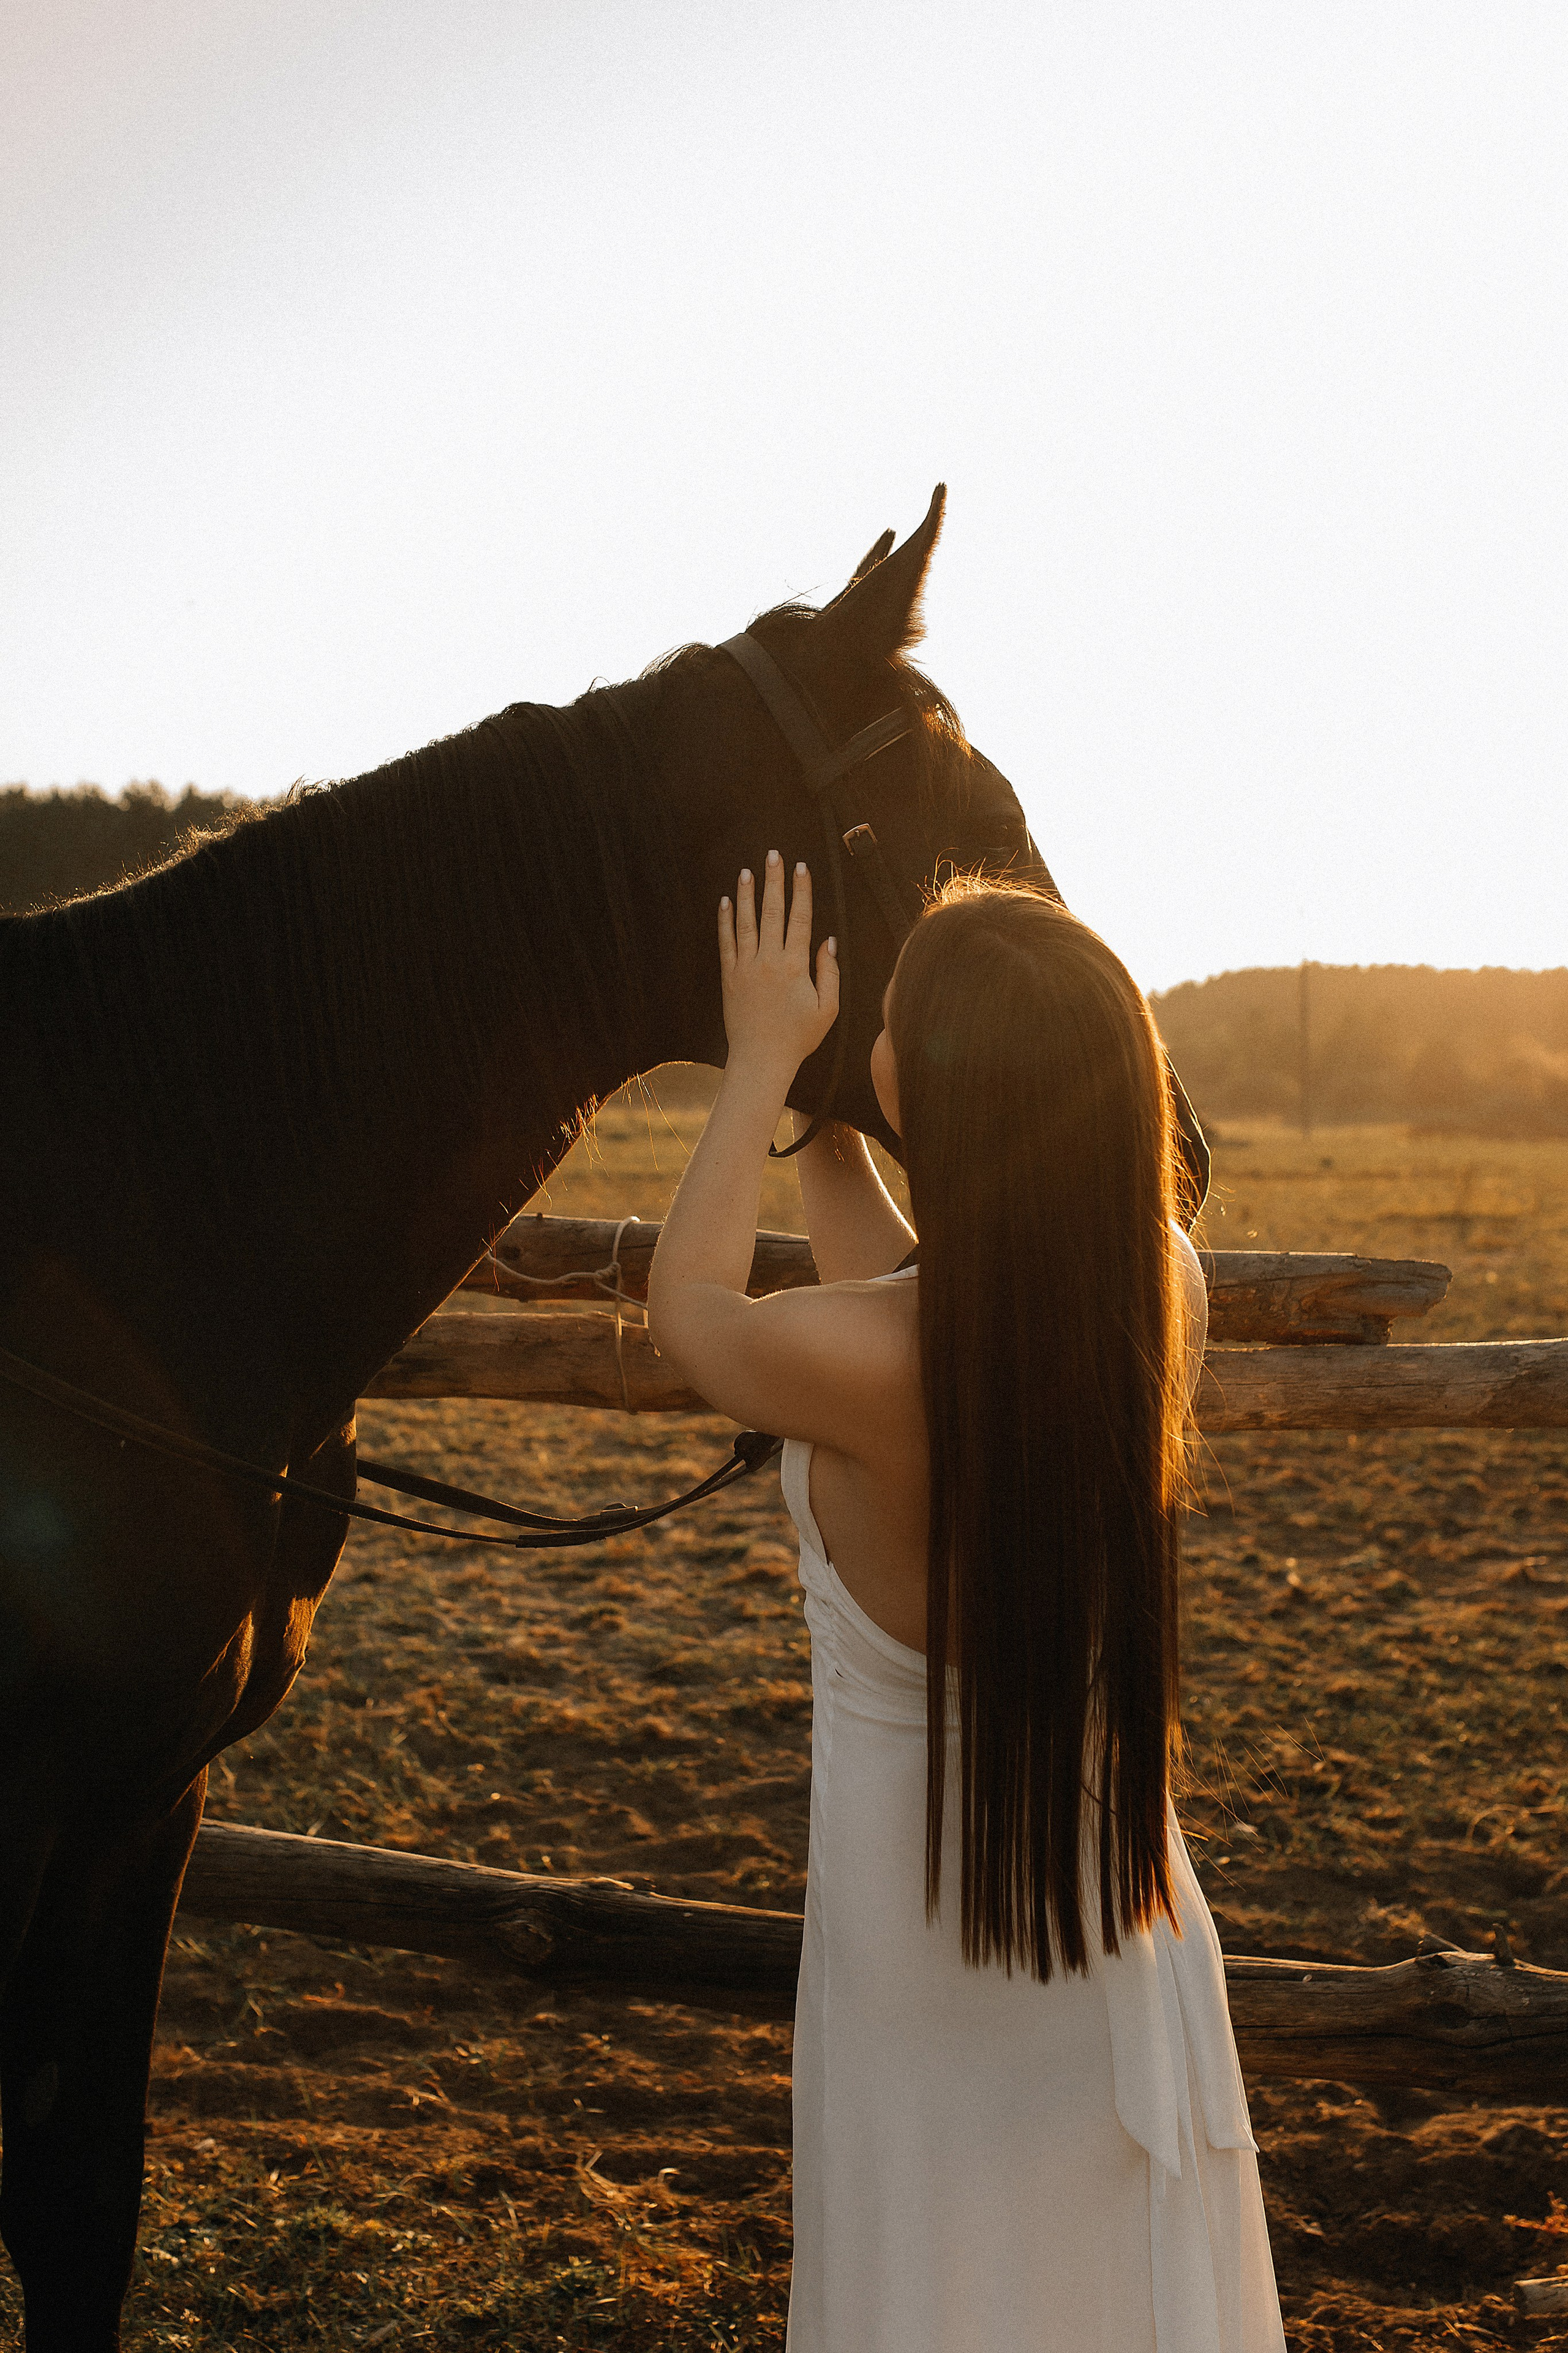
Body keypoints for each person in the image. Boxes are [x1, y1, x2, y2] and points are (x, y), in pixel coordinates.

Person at [647, 853, 1284, 2353]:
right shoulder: (1151, 1283)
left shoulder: (867, 1365)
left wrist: (756, 1065)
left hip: (922, 1936)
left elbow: (694, 1313)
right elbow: (937, 1285)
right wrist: (838, 1119)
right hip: (1103, 1914)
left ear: (939, 1091)